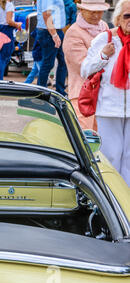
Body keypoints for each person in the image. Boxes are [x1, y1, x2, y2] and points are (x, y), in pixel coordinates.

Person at [80, 0, 130, 186]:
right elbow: (85, 70)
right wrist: (103, 56)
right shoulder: (106, 39)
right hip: (108, 109)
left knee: (129, 159)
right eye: (127, 16)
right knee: (111, 156)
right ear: (117, 18)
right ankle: (111, 196)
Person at [63, 0, 109, 131]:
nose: (96, 15)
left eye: (99, 11)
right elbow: (83, 68)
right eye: (92, 12)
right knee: (85, 136)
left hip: (103, 94)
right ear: (82, 10)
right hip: (83, 95)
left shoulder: (104, 26)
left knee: (102, 137)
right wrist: (104, 55)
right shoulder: (73, 33)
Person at [36, 0, 68, 96]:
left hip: (53, 31)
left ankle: (60, 90)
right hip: (49, 32)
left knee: (63, 61)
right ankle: (40, 91)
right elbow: (46, 14)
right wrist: (54, 34)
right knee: (48, 63)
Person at [0, 0, 22, 80]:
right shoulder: (9, 5)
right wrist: (17, 24)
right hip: (7, 32)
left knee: (3, 56)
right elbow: (9, 21)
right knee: (4, 57)